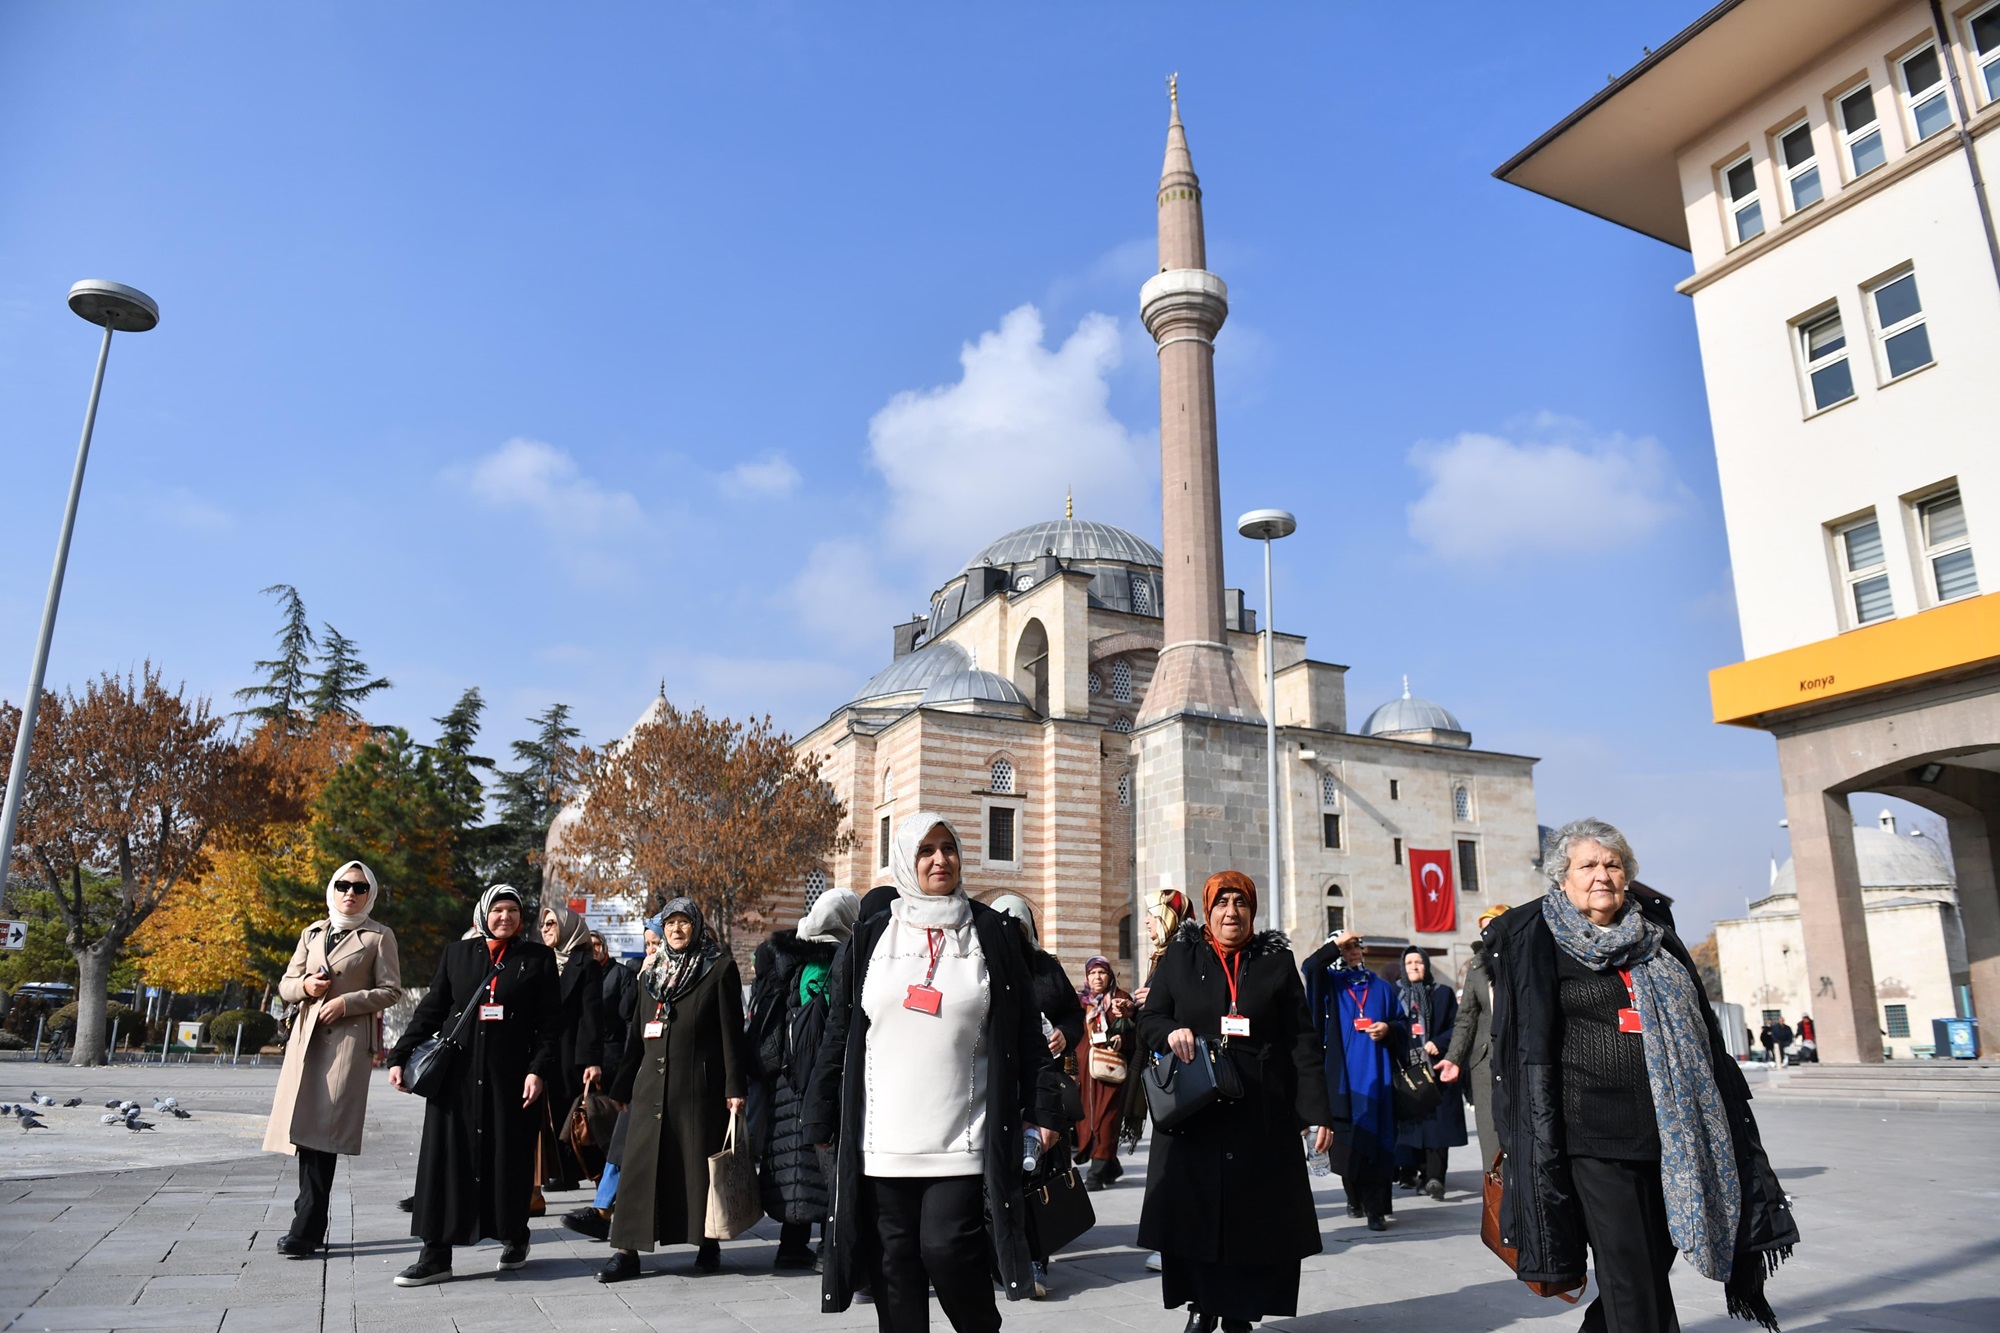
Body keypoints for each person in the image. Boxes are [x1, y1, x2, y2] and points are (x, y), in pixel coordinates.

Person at [1489, 817, 1797, 1333]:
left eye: (1612, 864)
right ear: (1562, 878)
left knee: (1649, 1267)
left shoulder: (1657, 939)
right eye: (1586, 865)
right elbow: (1518, 1048)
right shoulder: (1539, 941)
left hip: (1672, 1135)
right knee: (1631, 1275)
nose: (1601, 875)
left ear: (1627, 876)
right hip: (1592, 1137)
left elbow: (1703, 1032)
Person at [805, 811, 1067, 1333]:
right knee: (893, 1270)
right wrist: (820, 1112)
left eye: (948, 848)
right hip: (881, 1139)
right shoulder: (874, 933)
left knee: (946, 1249)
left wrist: (1045, 1110)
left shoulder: (990, 931)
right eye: (926, 850)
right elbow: (841, 1029)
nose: (939, 860)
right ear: (906, 859)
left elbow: (1024, 1036)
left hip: (962, 1136)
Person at [1138, 871, 1334, 1333]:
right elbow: (1150, 1018)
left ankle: (1240, 1312)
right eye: (1222, 902)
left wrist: (1316, 1112)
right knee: (1199, 1216)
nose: (1231, 911)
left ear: (1252, 910)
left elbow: (1301, 1042)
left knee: (1253, 1222)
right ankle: (1203, 1306)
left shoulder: (1277, 963)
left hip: (1260, 1114)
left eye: (1240, 902)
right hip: (1197, 1111)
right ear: (1208, 911)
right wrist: (1171, 1032)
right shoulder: (1181, 956)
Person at [387, 884, 562, 1286]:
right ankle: (434, 1254)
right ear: (483, 913)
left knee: (509, 1161)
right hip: (457, 1082)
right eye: (498, 910)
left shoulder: (536, 958)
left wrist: (538, 1069)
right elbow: (431, 1010)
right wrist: (399, 1055)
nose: (506, 918)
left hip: (511, 1082)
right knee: (445, 1163)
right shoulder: (457, 954)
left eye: (513, 911)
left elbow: (551, 1024)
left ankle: (515, 1236)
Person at [597, 898, 748, 1282]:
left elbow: (732, 1036)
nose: (677, 930)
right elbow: (636, 1034)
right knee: (638, 1171)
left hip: (697, 1089)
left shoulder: (718, 969)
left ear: (696, 926)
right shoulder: (650, 974)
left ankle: (707, 1243)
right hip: (649, 1089)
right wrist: (622, 1085)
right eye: (670, 924)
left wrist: (735, 1087)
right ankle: (626, 1251)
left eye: (684, 923)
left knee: (697, 1168)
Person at [264, 861, 403, 1257]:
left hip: (345, 1047)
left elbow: (391, 990)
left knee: (321, 1137)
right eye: (343, 885)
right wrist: (306, 985)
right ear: (332, 888)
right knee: (305, 1135)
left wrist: (347, 1002)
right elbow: (286, 984)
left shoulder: (379, 936)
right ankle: (307, 1222)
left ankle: (306, 1228)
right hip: (306, 1044)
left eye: (359, 888)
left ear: (370, 894)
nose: (350, 893)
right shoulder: (313, 932)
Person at [752, 887, 861, 1271]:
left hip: (785, 1080)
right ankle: (825, 1247)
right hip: (821, 1077)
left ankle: (790, 1245)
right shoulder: (839, 959)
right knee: (824, 1165)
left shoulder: (786, 959)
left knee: (794, 1164)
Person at [1299, 927, 1402, 1231]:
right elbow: (1309, 967)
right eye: (1346, 948)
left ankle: (1377, 1209)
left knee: (1378, 1145)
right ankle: (1354, 1197)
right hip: (1343, 1080)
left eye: (1357, 946)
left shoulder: (1381, 988)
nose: (1353, 952)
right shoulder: (1331, 984)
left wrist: (1388, 1028)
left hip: (1377, 1077)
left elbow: (1401, 1023)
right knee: (1348, 1146)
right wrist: (1335, 944)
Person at [563, 920, 660, 1243]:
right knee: (621, 1140)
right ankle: (604, 1210)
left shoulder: (697, 972)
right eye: (647, 944)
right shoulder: (646, 975)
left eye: (656, 944)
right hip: (640, 1071)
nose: (652, 951)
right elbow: (638, 1028)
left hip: (677, 1076)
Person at [1131, 888, 1191, 1274]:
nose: (1149, 925)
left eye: (1152, 917)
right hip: (1164, 1069)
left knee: (1175, 1164)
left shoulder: (1183, 953)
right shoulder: (1163, 954)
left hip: (1183, 1071)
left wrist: (1154, 998)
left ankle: (1175, 1246)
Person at [536, 900, 605, 1202]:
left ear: (567, 927)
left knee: (574, 1120)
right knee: (542, 1120)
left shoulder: (584, 964)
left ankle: (600, 1182)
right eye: (543, 924)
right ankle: (547, 1181)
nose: (545, 929)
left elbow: (592, 1015)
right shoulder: (541, 961)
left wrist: (591, 1060)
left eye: (551, 923)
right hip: (541, 1052)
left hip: (569, 1054)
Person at [1392, 946, 1467, 1199]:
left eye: (1419, 962)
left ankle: (1435, 1178)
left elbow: (1457, 1026)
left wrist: (1440, 1042)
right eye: (1410, 962)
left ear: (1426, 966)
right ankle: (1414, 1172)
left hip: (1435, 1068)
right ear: (1403, 966)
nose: (1414, 966)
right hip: (1407, 1069)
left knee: (1437, 1126)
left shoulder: (1442, 994)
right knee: (1413, 1125)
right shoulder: (1394, 994)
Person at [1437, 904, 1506, 1173]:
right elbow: (1466, 1016)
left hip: (1522, 1057)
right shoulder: (1477, 965)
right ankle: (1497, 1201)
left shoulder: (1525, 959)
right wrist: (1454, 1058)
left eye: (1494, 924)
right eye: (1484, 927)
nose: (1488, 931)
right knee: (1491, 1139)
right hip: (1484, 1062)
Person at [1075, 956, 1135, 1191]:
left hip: (1111, 1072)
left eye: (1102, 973)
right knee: (1088, 1122)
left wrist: (1124, 1034)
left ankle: (1096, 1174)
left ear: (1110, 976)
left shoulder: (1121, 1000)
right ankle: (1110, 1165)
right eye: (1092, 973)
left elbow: (1136, 1031)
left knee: (1107, 1121)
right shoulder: (1081, 1002)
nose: (1097, 978)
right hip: (1086, 1073)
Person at [595, 930, 640, 1076]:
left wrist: (627, 1057)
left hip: (614, 1053)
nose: (592, 950)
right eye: (587, 946)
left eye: (596, 945)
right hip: (588, 1054)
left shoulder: (622, 974)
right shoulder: (582, 975)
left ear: (604, 947)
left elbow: (629, 1019)